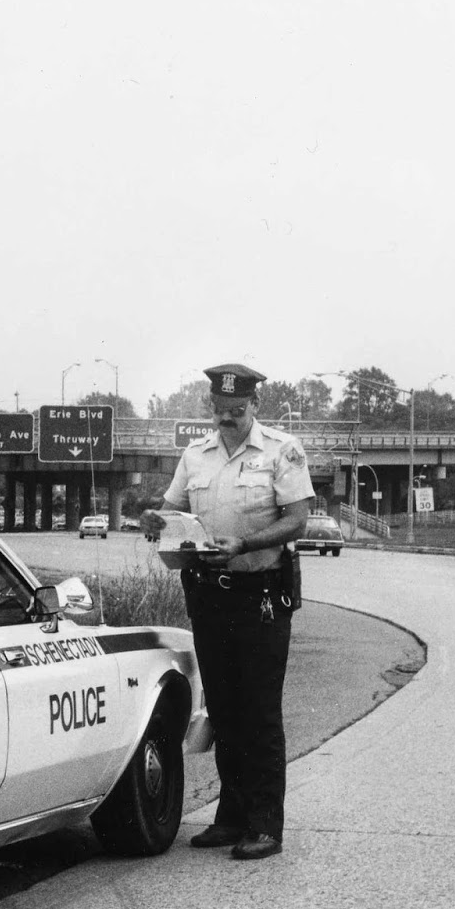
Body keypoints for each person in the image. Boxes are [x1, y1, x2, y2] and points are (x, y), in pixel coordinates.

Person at [149, 363, 313, 861]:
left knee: (259, 711)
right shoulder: (195, 456)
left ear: (254, 406)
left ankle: (266, 824)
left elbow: (298, 520)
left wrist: (243, 543)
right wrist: (154, 522)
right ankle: (231, 816)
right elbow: (171, 509)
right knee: (222, 708)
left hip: (260, 595)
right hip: (209, 594)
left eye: (237, 412)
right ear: (210, 409)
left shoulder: (282, 452)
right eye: (220, 413)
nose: (228, 421)